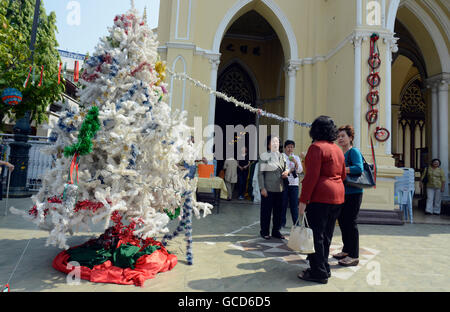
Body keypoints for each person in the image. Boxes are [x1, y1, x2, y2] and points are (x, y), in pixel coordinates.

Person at [297, 116, 346, 284]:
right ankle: (324, 266)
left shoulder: (316, 148)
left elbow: (311, 177)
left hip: (320, 196)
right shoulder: (338, 149)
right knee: (326, 235)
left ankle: (318, 273)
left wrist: (303, 201)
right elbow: (344, 175)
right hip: (338, 196)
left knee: (315, 236)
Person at [333, 125, 364, 267]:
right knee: (343, 222)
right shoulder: (341, 153)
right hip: (343, 193)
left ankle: (354, 255)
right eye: (338, 136)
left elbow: (359, 168)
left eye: (343, 136)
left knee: (351, 223)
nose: (340, 138)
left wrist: (341, 169)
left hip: (354, 193)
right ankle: (346, 250)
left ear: (350, 138)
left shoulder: (354, 151)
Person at [258, 135, 290, 240]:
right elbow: (260, 174)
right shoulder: (264, 156)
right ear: (268, 144)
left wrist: (287, 172)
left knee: (279, 212)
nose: (275, 143)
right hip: (268, 189)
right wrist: (262, 188)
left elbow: (287, 168)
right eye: (273, 142)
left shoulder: (283, 156)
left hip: (280, 188)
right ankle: (264, 231)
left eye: (277, 141)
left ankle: (276, 231)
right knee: (266, 212)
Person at [281, 140, 303, 228]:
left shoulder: (296, 157)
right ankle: (282, 223)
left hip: (294, 184)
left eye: (292, 147)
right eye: (288, 147)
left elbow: (300, 170)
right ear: (285, 148)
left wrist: (295, 162)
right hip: (284, 183)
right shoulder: (281, 157)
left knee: (294, 205)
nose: (290, 149)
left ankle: (296, 223)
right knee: (283, 204)